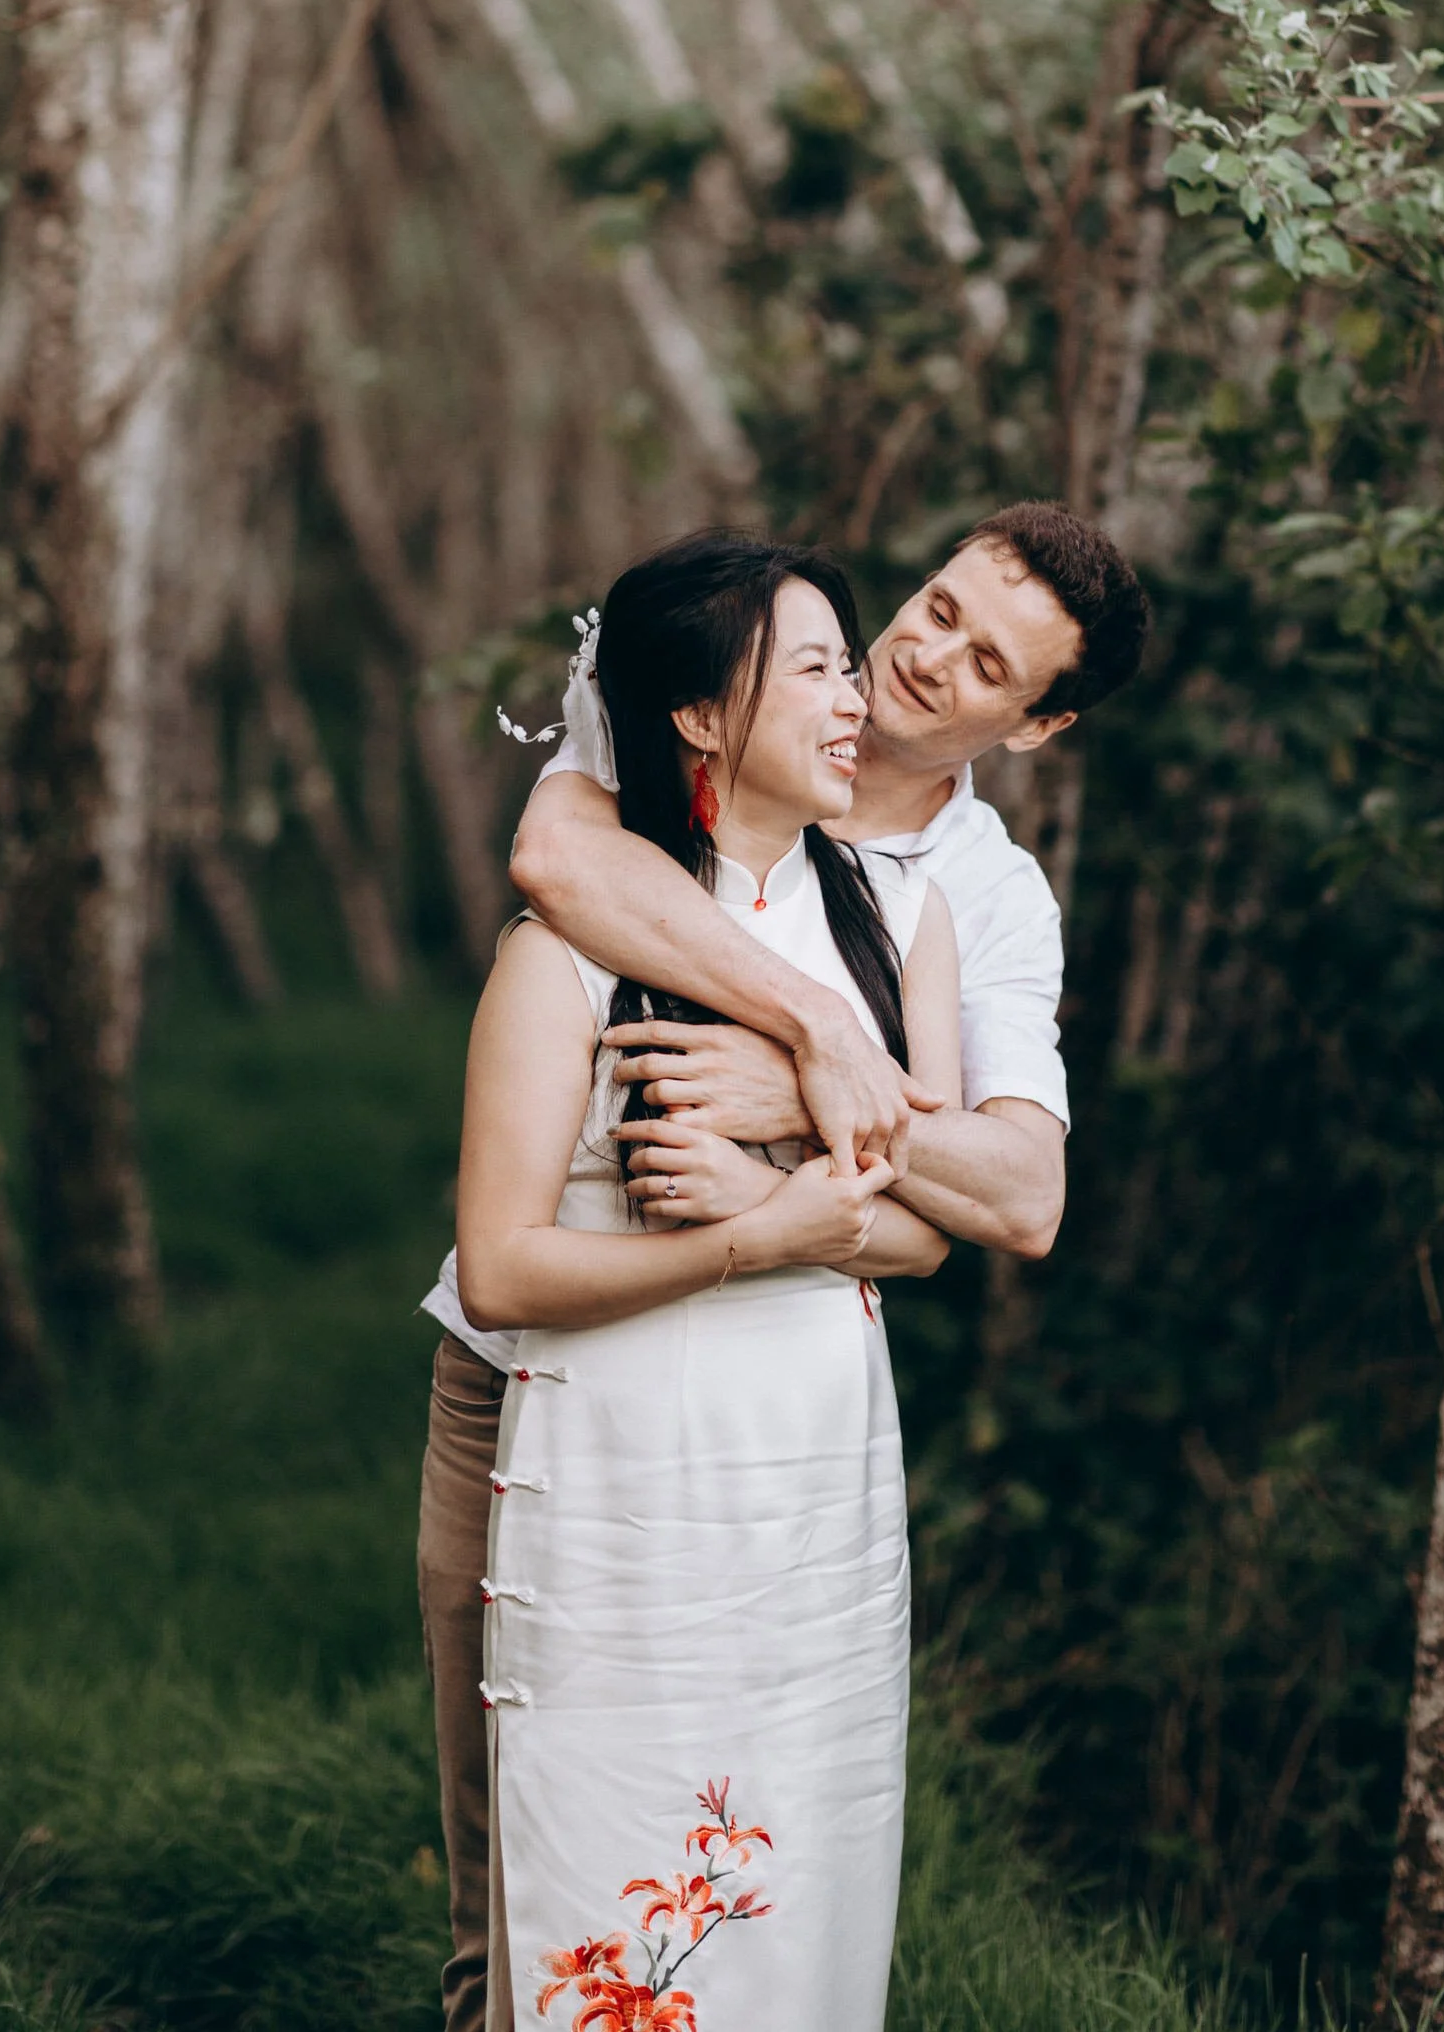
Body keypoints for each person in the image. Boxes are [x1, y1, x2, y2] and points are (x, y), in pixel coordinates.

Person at [417, 500, 1150, 2030]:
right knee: (533, 1864)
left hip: (788, 1433)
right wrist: (815, 1035)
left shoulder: (975, 902)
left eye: (989, 660)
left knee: (769, 1859)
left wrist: (790, 1107)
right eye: (940, 608)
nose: (923, 659)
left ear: (1039, 722)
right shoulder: (721, 688)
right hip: (533, 1392)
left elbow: (1010, 1201)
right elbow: (557, 857)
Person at [452, 528, 961, 2032]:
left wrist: (794, 1196)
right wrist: (757, 1238)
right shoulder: (569, 948)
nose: (852, 692)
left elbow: (927, 1230)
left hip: (820, 1468)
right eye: (810, 665)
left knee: (808, 1858)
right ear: (695, 716)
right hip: (624, 1461)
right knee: (615, 1870)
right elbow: (499, 1268)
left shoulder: (898, 926)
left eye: (842, 657)